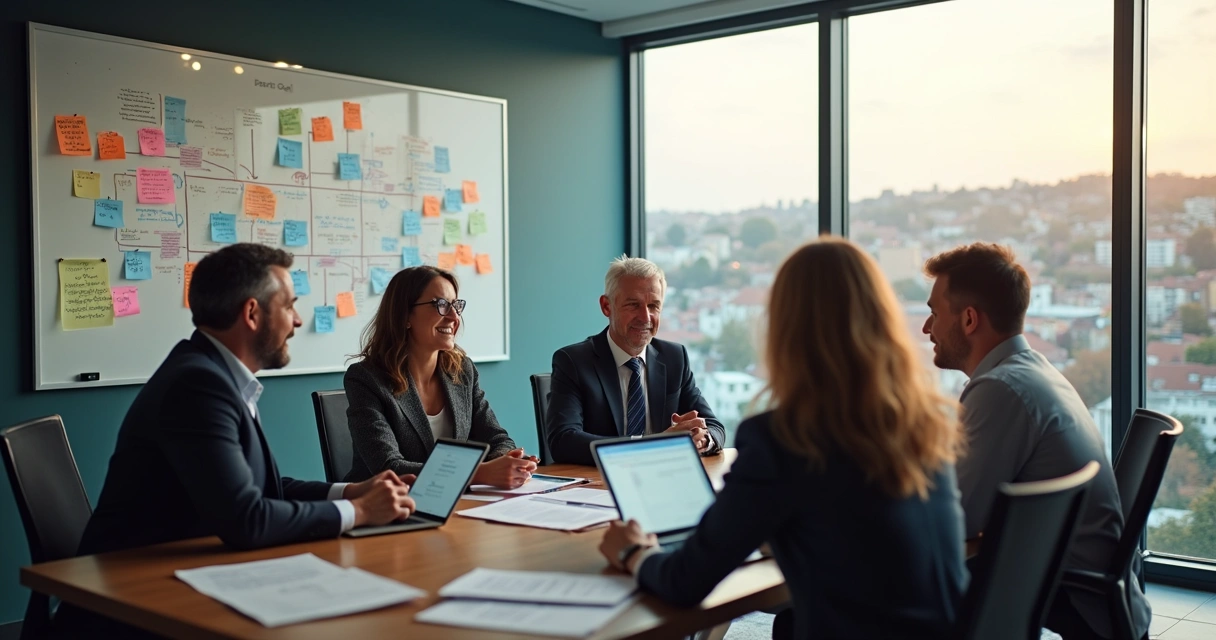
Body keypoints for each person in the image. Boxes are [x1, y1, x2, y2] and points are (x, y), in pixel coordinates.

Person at [599, 237, 968, 639]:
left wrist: (633, 550)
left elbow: (685, 581)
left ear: (787, 326)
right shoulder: (926, 423)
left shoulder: (785, 438)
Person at [57, 244, 415, 638]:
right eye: (289, 306)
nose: (297, 321)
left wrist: (348, 492)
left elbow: (262, 490)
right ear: (251, 313)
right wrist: (361, 512)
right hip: (131, 606)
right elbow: (248, 519)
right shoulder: (198, 385)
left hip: (178, 577)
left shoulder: (214, 375)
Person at [922, 242, 1150, 640]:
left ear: (970, 319)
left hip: (1074, 598)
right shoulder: (1032, 371)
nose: (927, 329)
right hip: (1093, 590)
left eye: (933, 314)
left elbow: (957, 520)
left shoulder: (1001, 389)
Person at [344, 266, 535, 488]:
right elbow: (390, 467)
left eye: (456, 305)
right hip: (385, 509)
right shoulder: (366, 379)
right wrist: (478, 474)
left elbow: (496, 438)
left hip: (452, 504)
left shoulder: (462, 371)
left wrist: (509, 461)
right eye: (441, 305)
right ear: (405, 315)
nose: (454, 317)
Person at [546, 256, 724, 465]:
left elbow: (714, 426)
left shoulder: (674, 357)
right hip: (600, 486)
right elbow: (563, 441)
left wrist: (700, 438)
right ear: (606, 306)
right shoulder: (573, 362)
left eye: (654, 306)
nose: (646, 317)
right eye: (633, 305)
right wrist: (653, 445)